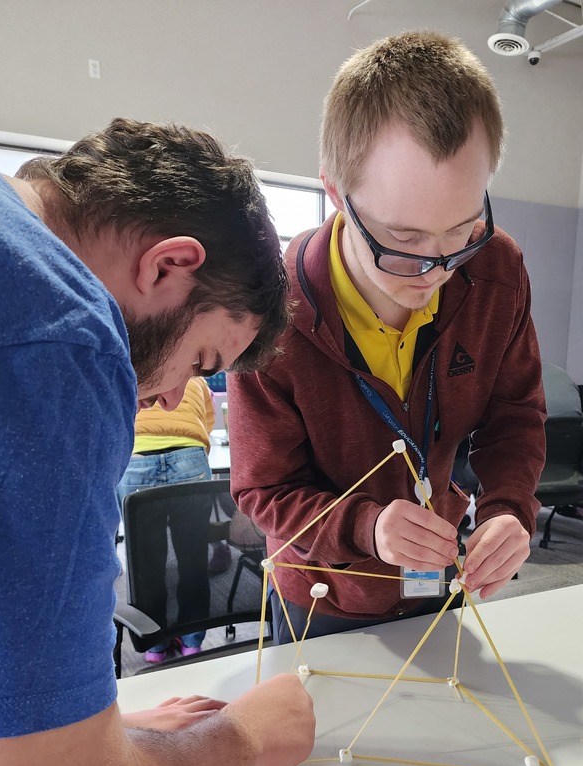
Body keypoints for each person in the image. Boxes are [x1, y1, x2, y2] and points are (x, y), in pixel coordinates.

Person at [0, 118, 315, 766]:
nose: (168, 397)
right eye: (201, 362)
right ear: (168, 264)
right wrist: (241, 738)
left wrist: (82, 737)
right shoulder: (61, 336)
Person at [228, 31, 547, 643]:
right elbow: (263, 489)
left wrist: (510, 508)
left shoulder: (497, 272)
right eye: (402, 241)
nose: (436, 270)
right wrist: (365, 527)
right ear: (335, 195)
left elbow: (516, 414)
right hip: (321, 588)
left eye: (461, 231)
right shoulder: (270, 307)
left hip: (443, 572)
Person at [117, 375, 230, 664]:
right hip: (188, 457)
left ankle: (156, 645)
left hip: (136, 458)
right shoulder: (191, 377)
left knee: (146, 564)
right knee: (193, 557)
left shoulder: (130, 372)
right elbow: (205, 422)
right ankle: (192, 641)